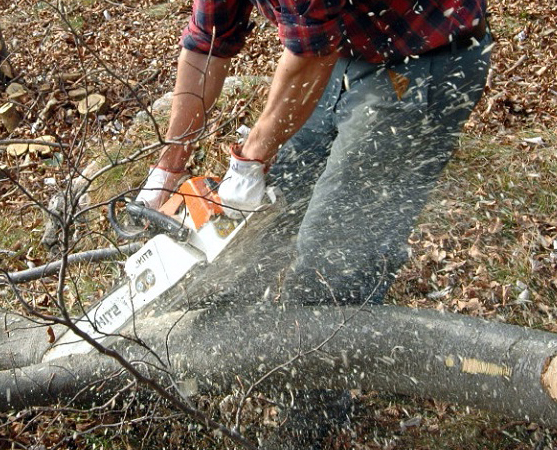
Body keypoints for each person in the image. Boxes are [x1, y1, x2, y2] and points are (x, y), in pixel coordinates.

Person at [136, 0, 491, 307]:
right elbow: (207, 44)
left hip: (423, 56)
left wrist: (248, 161)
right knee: (277, 206)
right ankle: (238, 338)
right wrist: (167, 169)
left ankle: (321, 371)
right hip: (340, 47)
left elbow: (311, 53)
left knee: (339, 243)